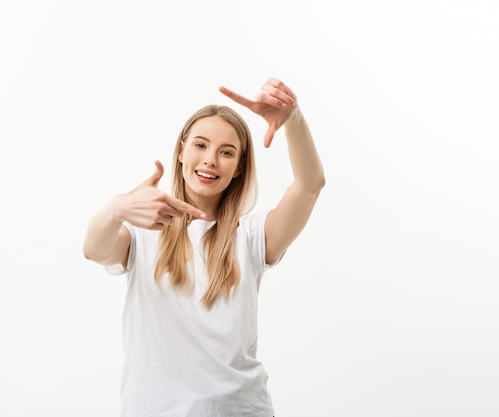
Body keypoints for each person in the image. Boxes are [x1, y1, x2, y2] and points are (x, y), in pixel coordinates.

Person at [83, 78, 325, 417]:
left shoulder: (253, 236)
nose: (210, 160)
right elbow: (94, 249)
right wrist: (116, 209)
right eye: (200, 145)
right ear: (181, 151)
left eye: (226, 152)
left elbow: (310, 185)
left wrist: (293, 120)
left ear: (239, 167)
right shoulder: (143, 233)